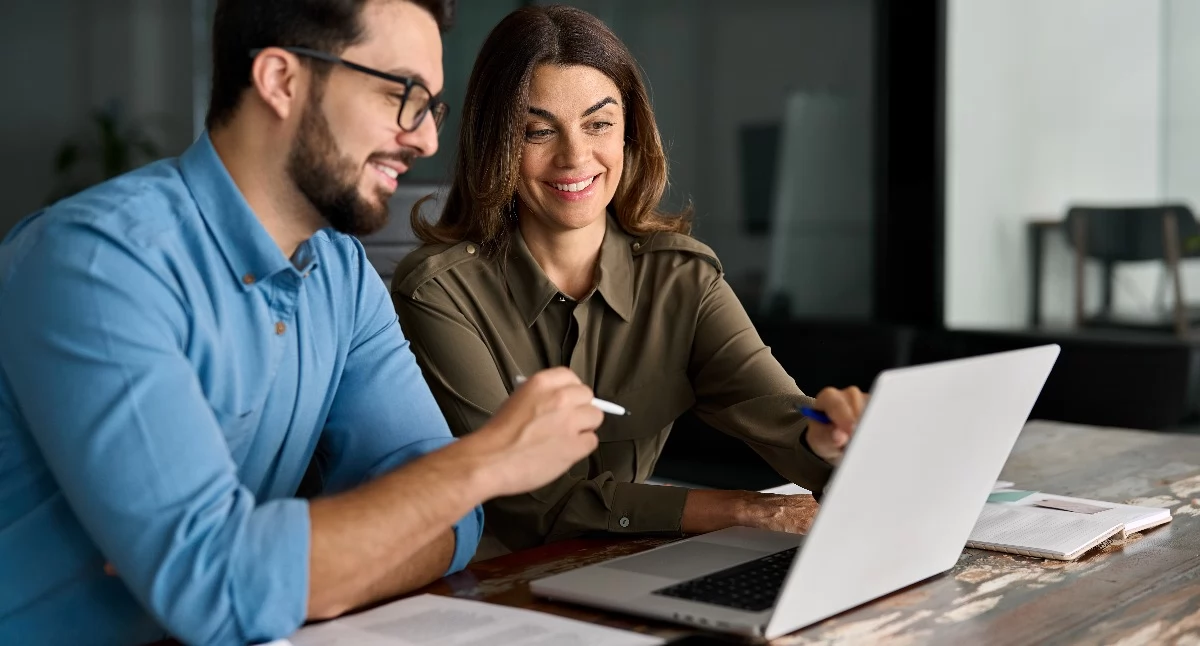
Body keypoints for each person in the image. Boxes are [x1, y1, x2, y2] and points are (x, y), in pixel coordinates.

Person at [0, 1, 604, 644]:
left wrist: (288, 569)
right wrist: (483, 463)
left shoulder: (342, 275)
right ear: (281, 81)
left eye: (432, 107)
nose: (427, 138)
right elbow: (220, 587)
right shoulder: (99, 264)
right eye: (402, 93)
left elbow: (453, 526)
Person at [391, 4, 869, 560]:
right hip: (494, 587)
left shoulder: (681, 277)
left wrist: (824, 437)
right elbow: (526, 507)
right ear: (495, 142)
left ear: (629, 133)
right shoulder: (438, 292)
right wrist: (738, 511)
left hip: (637, 566)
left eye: (599, 124)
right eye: (538, 131)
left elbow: (777, 411)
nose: (575, 157)